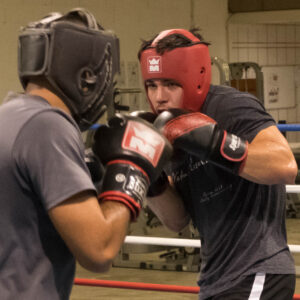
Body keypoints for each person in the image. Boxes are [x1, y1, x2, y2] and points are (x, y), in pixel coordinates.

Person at [0, 8, 171, 299]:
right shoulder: (48, 126)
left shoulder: (10, 115)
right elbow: (99, 250)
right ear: (87, 76)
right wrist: (131, 172)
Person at [137, 28, 298, 300]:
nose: (159, 97)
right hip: (215, 281)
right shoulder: (164, 129)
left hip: (258, 272)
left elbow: (285, 166)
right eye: (152, 86)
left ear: (195, 78)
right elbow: (177, 220)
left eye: (170, 84)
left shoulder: (231, 107)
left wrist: (213, 142)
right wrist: (151, 177)